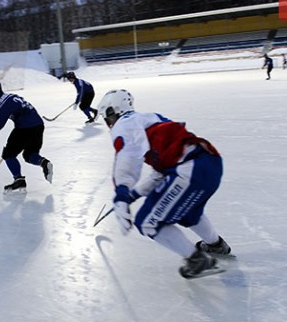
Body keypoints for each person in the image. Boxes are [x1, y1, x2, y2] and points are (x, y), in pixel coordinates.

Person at [98, 89, 232, 279]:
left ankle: (197, 260)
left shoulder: (124, 124)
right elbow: (161, 171)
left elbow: (127, 156)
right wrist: (133, 194)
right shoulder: (150, 118)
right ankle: (216, 245)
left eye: (106, 118)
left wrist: (121, 194)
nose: (108, 124)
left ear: (112, 112)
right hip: (209, 163)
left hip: (188, 169)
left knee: (147, 222)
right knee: (187, 212)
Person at [0, 77, 53, 193]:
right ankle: (45, 163)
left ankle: (18, 180)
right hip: (38, 125)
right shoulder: (9, 97)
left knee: (8, 154)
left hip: (25, 128)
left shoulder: (3, 102)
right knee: (29, 155)